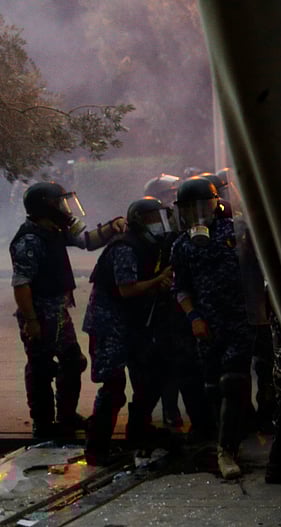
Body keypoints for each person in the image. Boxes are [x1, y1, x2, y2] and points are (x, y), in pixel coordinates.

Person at [10, 182, 125, 440]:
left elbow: (87, 241)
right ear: (45, 207)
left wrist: (112, 226)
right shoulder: (30, 239)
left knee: (73, 362)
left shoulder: (53, 231)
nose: (65, 208)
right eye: (59, 203)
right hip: (40, 315)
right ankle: (43, 424)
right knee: (40, 368)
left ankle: (66, 417)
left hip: (58, 313)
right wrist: (31, 320)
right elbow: (21, 284)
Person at [171, 176, 254, 479]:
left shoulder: (236, 232)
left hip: (238, 320)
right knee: (213, 386)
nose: (199, 214)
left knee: (234, 380)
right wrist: (194, 318)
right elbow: (180, 288)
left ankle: (226, 450)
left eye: (203, 206)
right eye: (191, 209)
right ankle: (225, 437)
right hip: (207, 325)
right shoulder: (181, 245)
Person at [83, 197, 177, 464]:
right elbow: (127, 289)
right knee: (113, 387)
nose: (158, 225)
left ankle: (139, 431)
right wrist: (158, 281)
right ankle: (97, 448)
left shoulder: (152, 245)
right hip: (109, 324)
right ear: (139, 221)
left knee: (148, 377)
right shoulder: (125, 246)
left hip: (133, 324)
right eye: (152, 219)